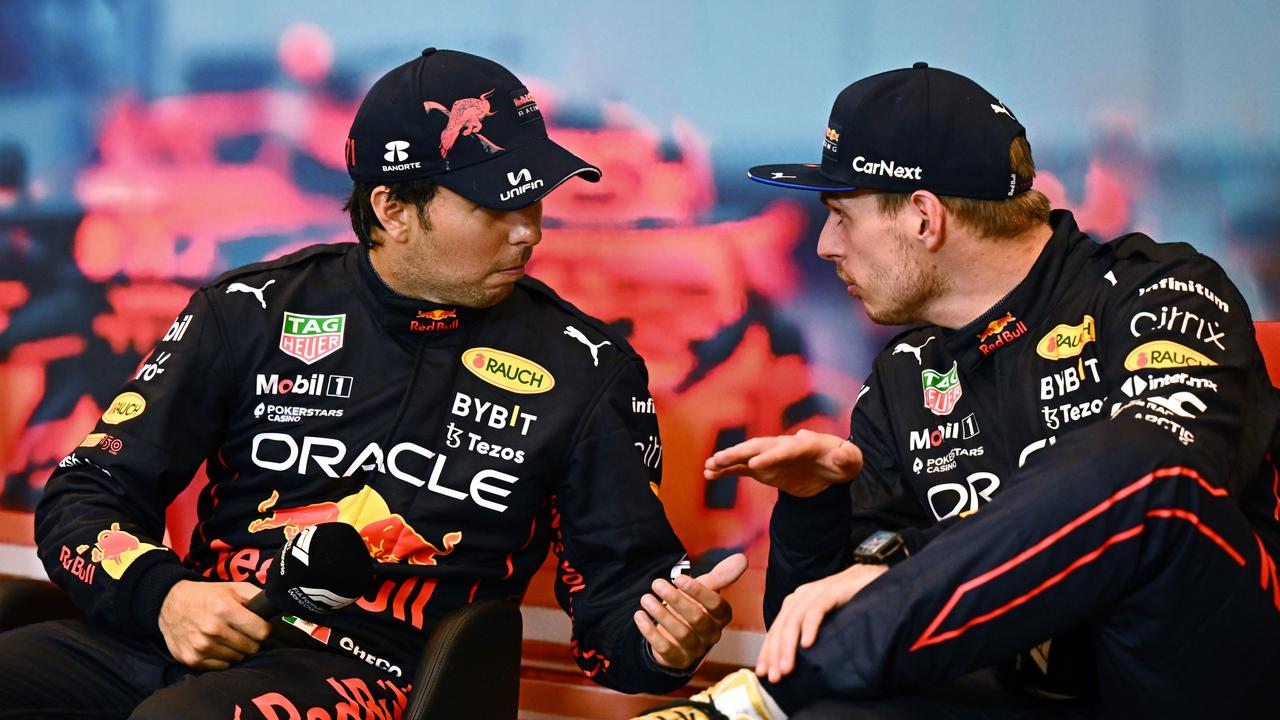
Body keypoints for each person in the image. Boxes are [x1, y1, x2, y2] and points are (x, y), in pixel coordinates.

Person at [0, 48, 745, 718]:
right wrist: (165, 596)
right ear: (391, 208)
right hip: (190, 633)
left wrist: (665, 642)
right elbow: (85, 495)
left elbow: (616, 617)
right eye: (496, 206)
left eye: (535, 198)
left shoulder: (587, 368)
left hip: (377, 674)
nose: (531, 231)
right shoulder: (250, 311)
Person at [639, 63, 1279, 719]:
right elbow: (817, 637)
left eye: (839, 214)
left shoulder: (1160, 293)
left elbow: (1164, 489)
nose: (826, 245)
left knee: (1148, 464)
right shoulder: (905, 376)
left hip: (1195, 684)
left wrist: (904, 570)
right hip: (1025, 697)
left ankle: (744, 712)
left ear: (923, 216)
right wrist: (814, 510)